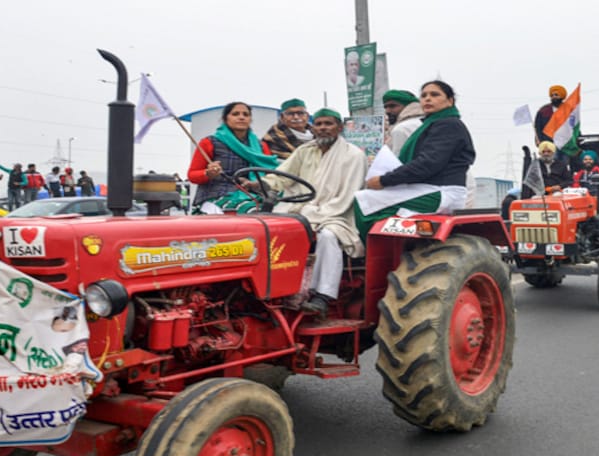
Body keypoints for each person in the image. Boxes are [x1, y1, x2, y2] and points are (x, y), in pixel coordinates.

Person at [252, 108, 367, 315]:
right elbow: (283, 176)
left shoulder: (354, 156)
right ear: (313, 128)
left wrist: (313, 214)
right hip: (302, 210)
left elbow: (347, 197)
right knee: (270, 229)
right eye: (319, 124)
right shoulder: (305, 151)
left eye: (328, 124)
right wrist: (262, 185)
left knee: (328, 236)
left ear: (339, 128)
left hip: (338, 214)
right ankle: (276, 290)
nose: (323, 128)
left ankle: (322, 296)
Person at [355, 81, 473, 239]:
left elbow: (427, 164)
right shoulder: (431, 124)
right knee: (370, 201)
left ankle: (373, 255)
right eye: (424, 96)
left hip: (442, 192)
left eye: (435, 95)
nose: (427, 99)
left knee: (364, 202)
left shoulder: (448, 125)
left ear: (450, 100)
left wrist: (384, 180)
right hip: (428, 188)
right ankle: (390, 249)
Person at [187, 101, 277, 212]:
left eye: (245, 114)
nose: (241, 117)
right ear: (226, 119)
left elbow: (271, 175)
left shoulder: (261, 146)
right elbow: (192, 175)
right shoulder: (209, 142)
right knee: (252, 212)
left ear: (250, 119)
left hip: (255, 195)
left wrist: (255, 184)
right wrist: (208, 173)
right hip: (217, 196)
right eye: (235, 114)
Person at [382, 89, 424, 155]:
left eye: (392, 106)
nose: (387, 111)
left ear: (409, 106)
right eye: (385, 107)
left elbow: (397, 160)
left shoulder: (401, 128)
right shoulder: (424, 121)